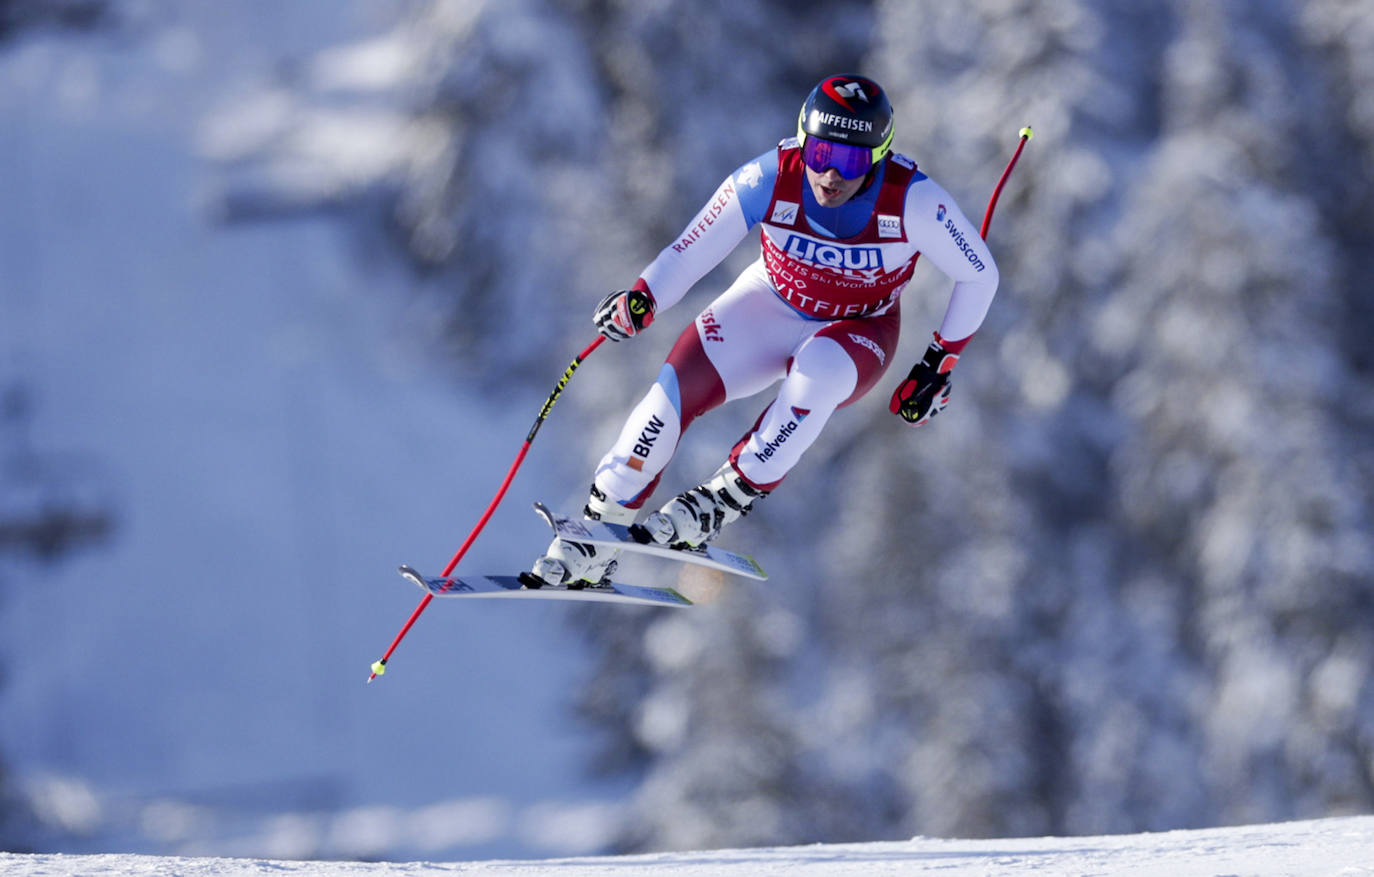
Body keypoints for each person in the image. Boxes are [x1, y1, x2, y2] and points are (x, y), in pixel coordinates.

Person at [529, 73, 1000, 587]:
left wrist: (936, 365)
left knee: (815, 375)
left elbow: (979, 273)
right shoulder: (769, 177)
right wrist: (643, 298)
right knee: (667, 399)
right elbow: (692, 249)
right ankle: (594, 537)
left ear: (879, 157)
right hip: (770, 303)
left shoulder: (912, 200)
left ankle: (721, 499)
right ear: (803, 140)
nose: (830, 175)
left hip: (858, 329)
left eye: (849, 161)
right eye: (820, 153)